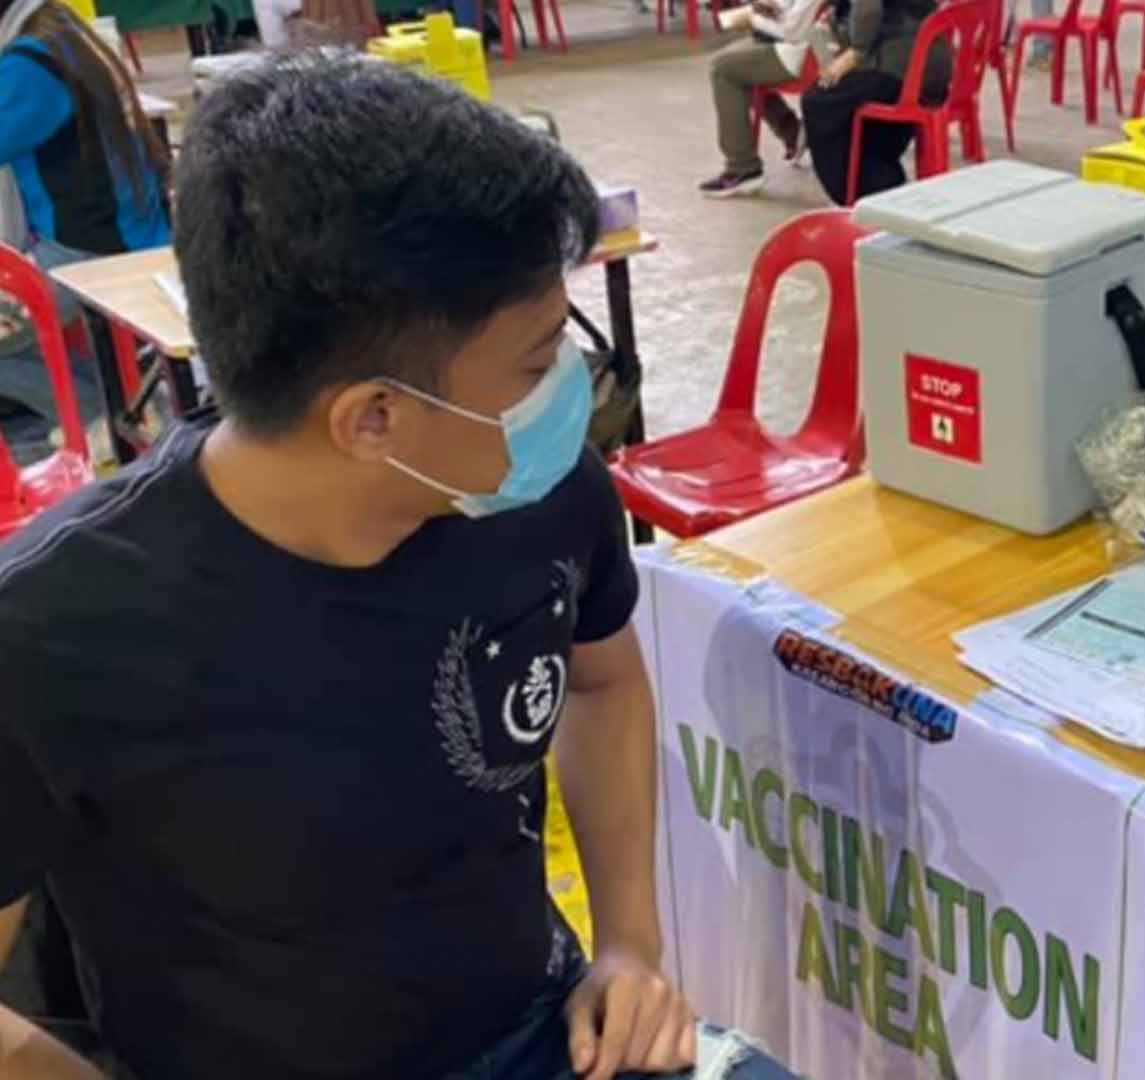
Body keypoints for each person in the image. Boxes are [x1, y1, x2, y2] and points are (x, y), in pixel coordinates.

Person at [0, 55, 797, 1080]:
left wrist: (629, 947)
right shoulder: (54, 628)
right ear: (372, 418)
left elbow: (602, 683)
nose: (570, 387)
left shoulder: (536, 491)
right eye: (536, 361)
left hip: (540, 1033)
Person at [0, 0, 168, 463]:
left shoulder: (29, 67)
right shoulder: (58, 35)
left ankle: (105, 417)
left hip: (91, 253)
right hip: (119, 237)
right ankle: (123, 407)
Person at [799, 0, 948, 206]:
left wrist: (857, 53)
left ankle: (855, 193)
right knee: (855, 102)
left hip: (899, 64)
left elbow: (867, 8)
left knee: (818, 102)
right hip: (933, 60)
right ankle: (883, 180)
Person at [699, 0, 827, 198]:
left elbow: (793, 30)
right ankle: (791, 131)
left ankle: (742, 167)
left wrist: (752, 19)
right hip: (786, 42)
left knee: (722, 69)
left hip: (798, 52)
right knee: (729, 61)